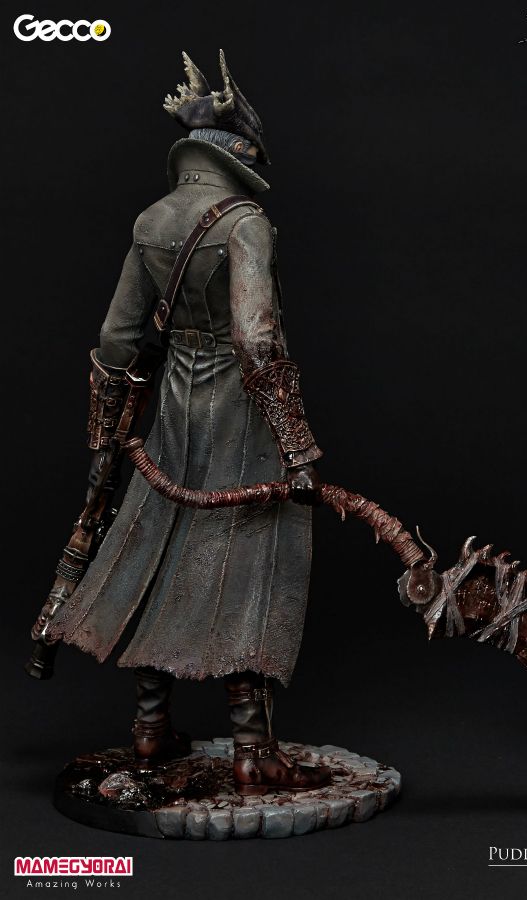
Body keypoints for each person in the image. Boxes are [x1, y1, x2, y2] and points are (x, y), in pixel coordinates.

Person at [47, 50, 330, 794]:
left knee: (157, 548)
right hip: (241, 413)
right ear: (241, 155)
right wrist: (297, 447)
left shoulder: (152, 220)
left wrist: (106, 438)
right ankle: (252, 747)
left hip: (172, 409)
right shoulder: (247, 225)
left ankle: (149, 727)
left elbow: (116, 341)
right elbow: (257, 341)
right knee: (249, 558)